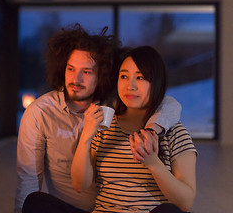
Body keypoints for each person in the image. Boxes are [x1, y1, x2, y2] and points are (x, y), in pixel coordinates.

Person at [15, 24, 182, 213]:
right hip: (72, 209)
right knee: (35, 202)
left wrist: (151, 130)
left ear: (102, 74)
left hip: (117, 208)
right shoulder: (40, 112)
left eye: (86, 72)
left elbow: (169, 103)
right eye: (70, 69)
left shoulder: (114, 104)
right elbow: (28, 180)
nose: (75, 79)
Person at [70, 45, 196, 212]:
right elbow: (80, 185)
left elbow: (186, 202)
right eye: (124, 76)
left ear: (157, 82)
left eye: (141, 78)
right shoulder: (104, 126)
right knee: (37, 202)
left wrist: (153, 163)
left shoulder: (174, 133)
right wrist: (86, 135)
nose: (130, 86)